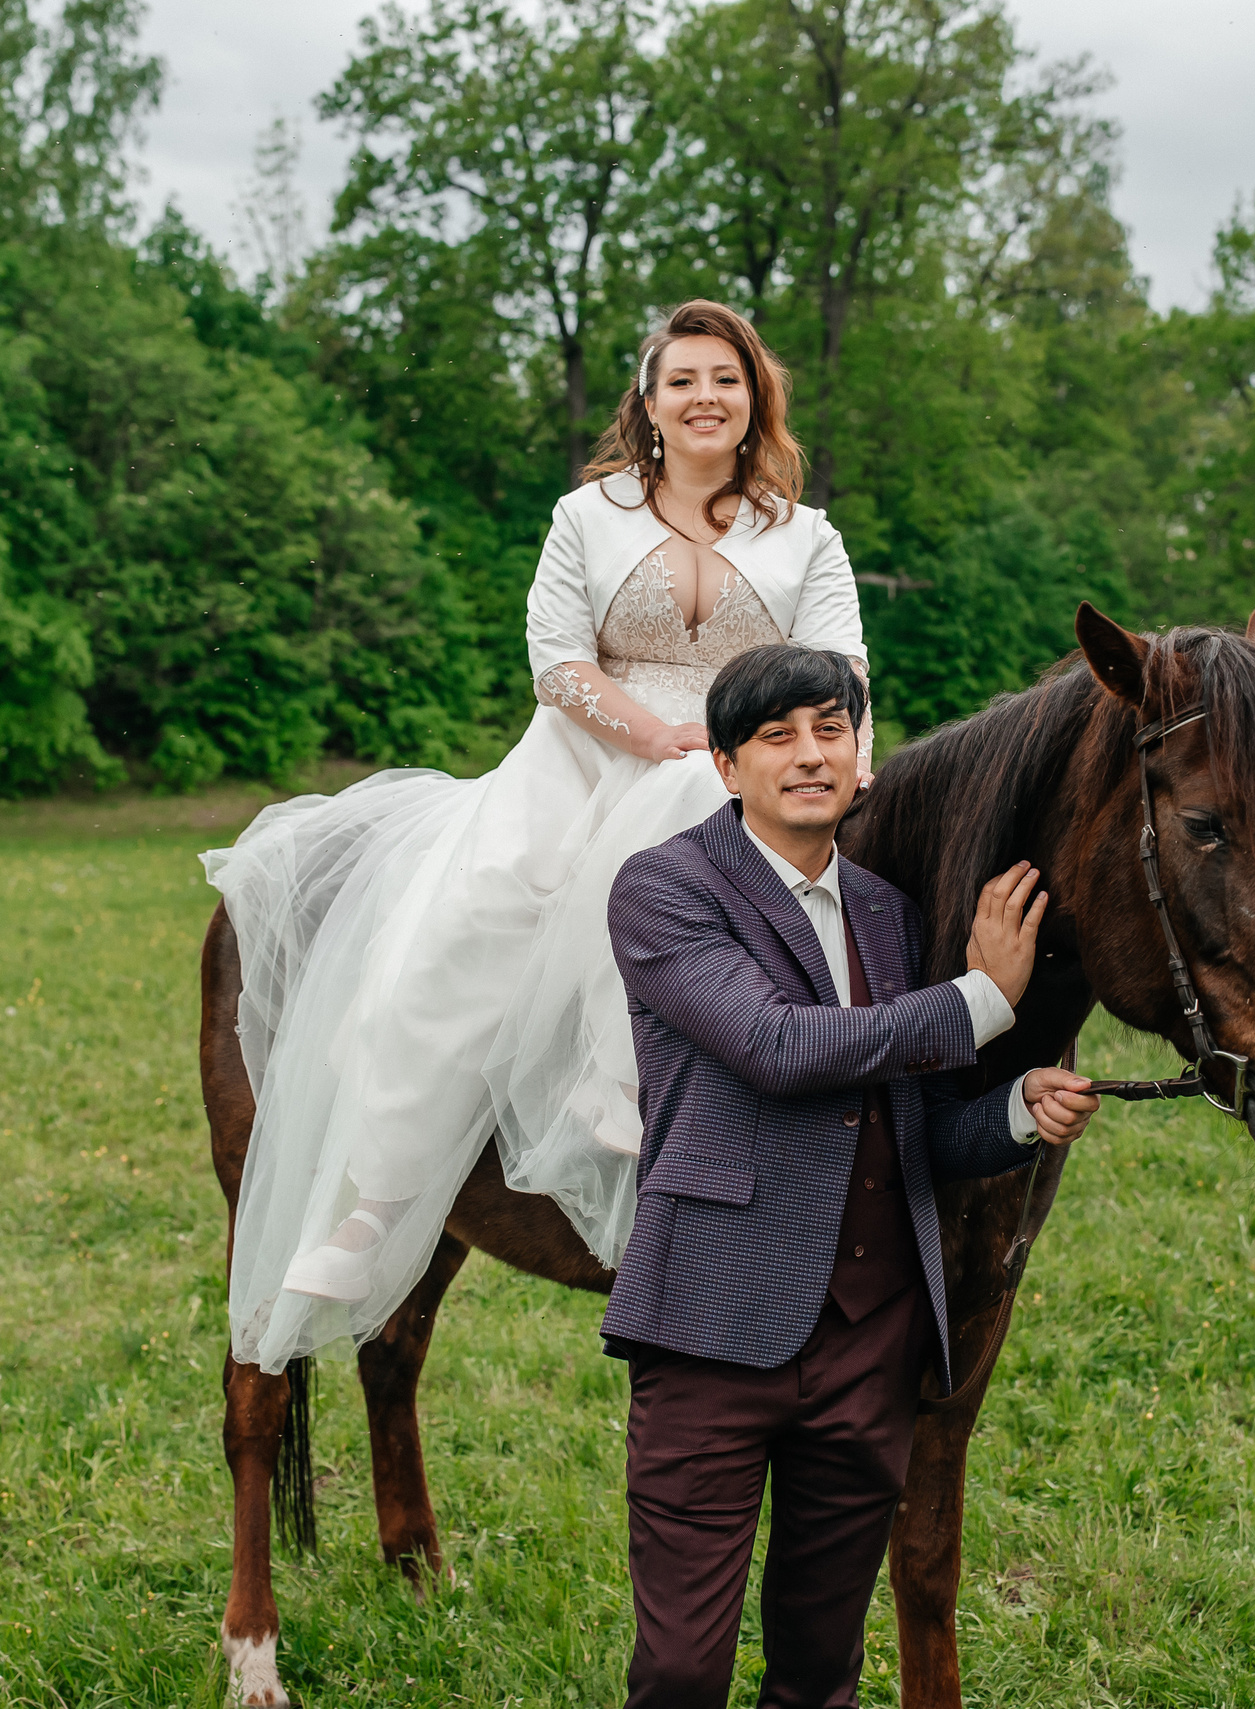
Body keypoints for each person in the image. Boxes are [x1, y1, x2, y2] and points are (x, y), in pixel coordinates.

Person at [201, 301, 873, 1372]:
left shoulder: (805, 536)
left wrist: (801, 763)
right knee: (463, 922)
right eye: (683, 380)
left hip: (744, 760)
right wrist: (657, 733)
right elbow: (558, 661)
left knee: (698, 819)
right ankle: (372, 1203)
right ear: (648, 405)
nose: (706, 397)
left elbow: (843, 670)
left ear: (756, 402)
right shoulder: (588, 516)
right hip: (587, 751)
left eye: (727, 380)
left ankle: (638, 1089)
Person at [602, 644, 1101, 1708]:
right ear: (728, 765)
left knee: (822, 1669)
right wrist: (978, 999)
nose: (809, 754)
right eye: (777, 736)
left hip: (870, 1342)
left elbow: (905, 1128)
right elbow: (777, 1047)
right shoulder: (663, 890)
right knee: (683, 1672)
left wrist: (1016, 1111)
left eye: (831, 729)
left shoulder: (887, 910)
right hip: (714, 1332)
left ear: (859, 753)